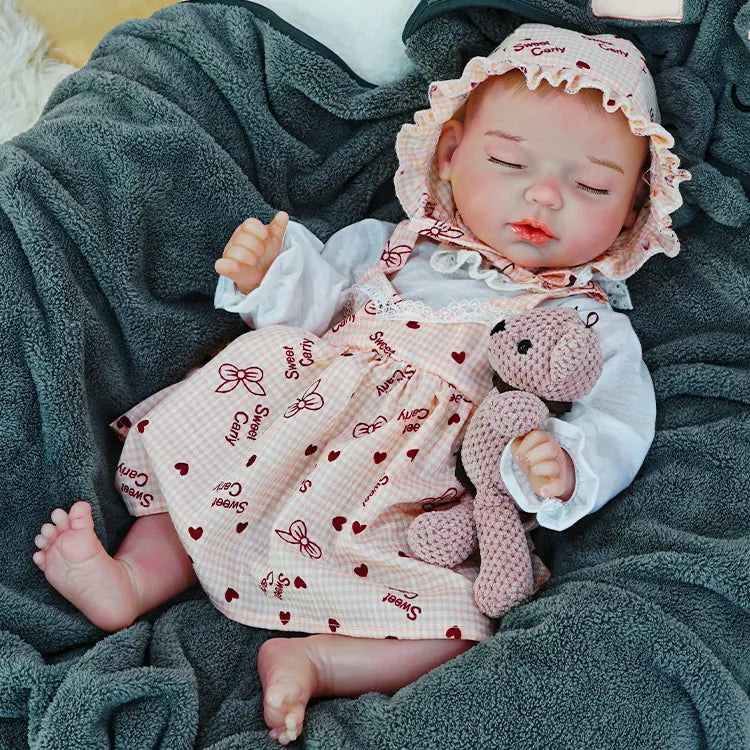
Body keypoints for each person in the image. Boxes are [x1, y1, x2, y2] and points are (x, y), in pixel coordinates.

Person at [31, 23, 689, 746]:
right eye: (507, 160)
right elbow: (319, 308)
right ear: (452, 150)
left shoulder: (584, 321)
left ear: (632, 210)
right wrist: (273, 274)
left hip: (410, 491)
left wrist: (563, 461)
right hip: (291, 422)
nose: (543, 196)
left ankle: (320, 659)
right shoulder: (391, 245)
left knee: (465, 619)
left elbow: (621, 421)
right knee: (202, 472)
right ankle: (132, 581)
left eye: (591, 184)